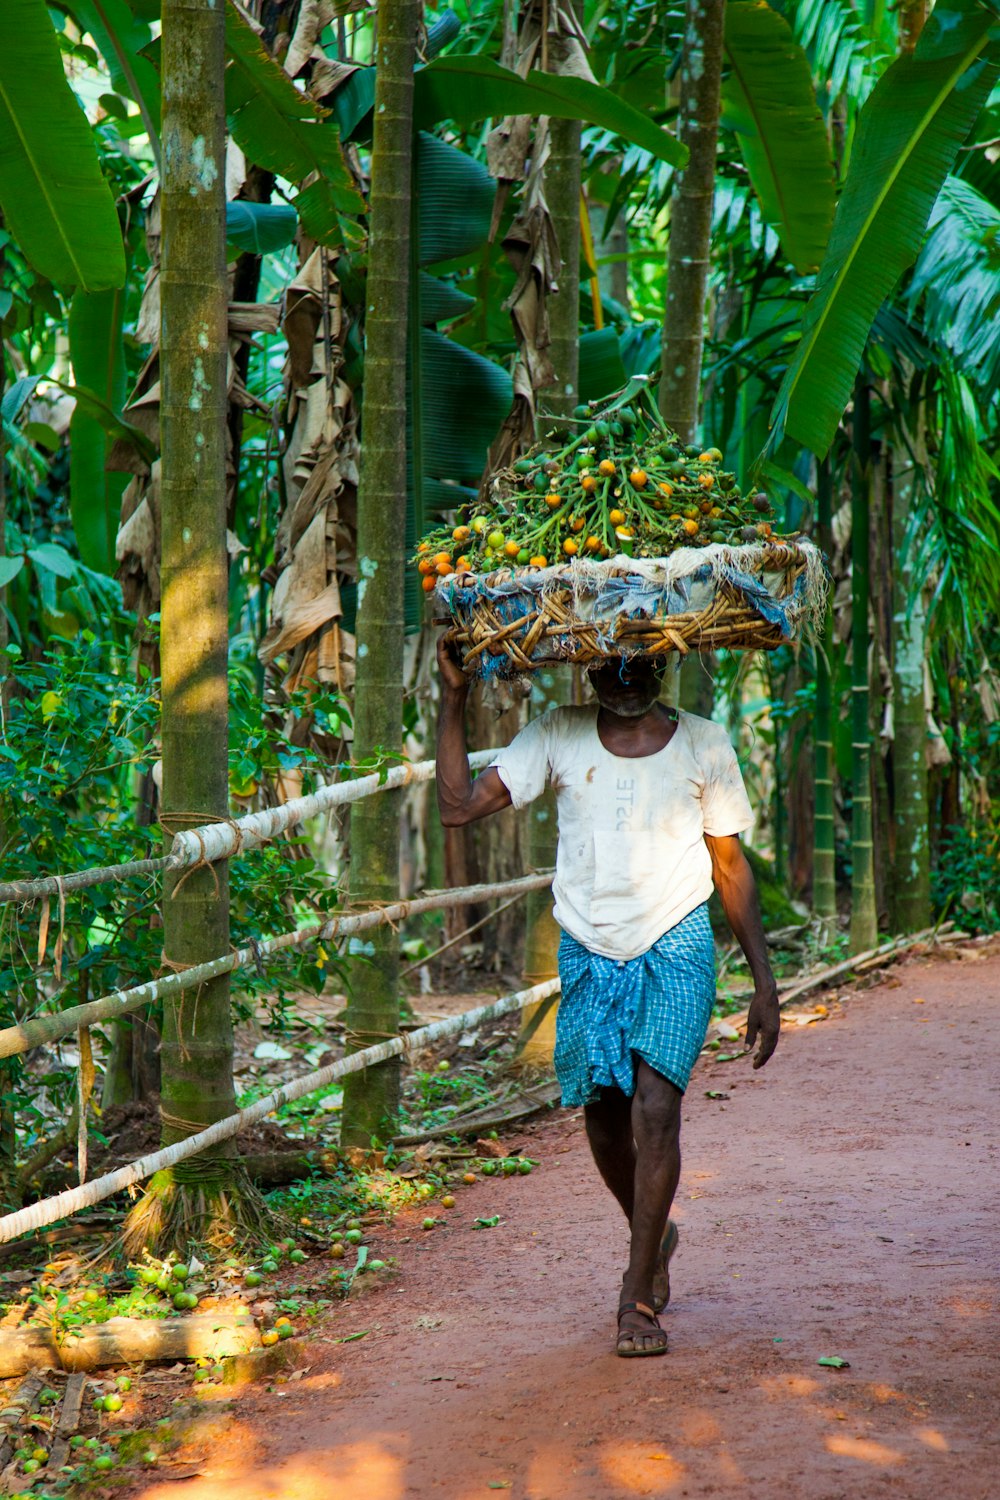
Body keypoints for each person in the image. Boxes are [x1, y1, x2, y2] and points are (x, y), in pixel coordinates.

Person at [435, 639, 780, 1358]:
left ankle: (637, 1295)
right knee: (601, 1114)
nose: (627, 679)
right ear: (587, 669)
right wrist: (455, 695)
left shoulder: (703, 743)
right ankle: (654, 1232)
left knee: (655, 1108)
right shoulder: (556, 734)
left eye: (643, 665)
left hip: (676, 944)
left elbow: (728, 864)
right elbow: (459, 808)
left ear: (666, 667)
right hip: (589, 946)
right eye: (611, 665)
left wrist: (764, 983)